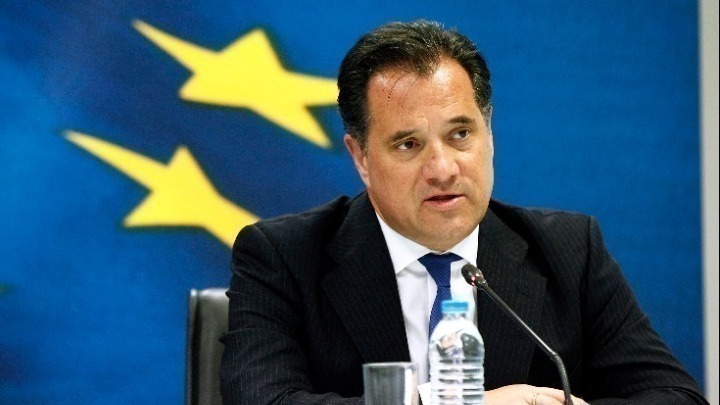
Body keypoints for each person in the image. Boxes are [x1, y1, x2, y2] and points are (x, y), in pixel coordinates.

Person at [220, 20, 707, 404]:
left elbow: (676, 397)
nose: (442, 169)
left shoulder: (569, 250)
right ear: (361, 157)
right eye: (408, 144)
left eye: (460, 134)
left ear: (488, 132)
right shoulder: (285, 257)